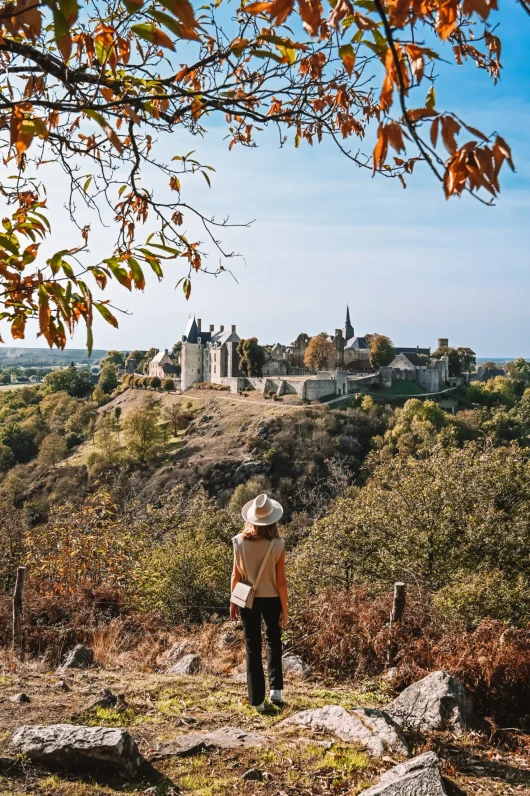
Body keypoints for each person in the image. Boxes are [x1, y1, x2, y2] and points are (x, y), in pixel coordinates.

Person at [230, 493, 288, 712]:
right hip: (272, 598)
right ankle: (276, 692)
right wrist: (285, 607)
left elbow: (236, 577)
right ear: (272, 519)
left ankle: (257, 702)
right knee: (273, 642)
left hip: (246, 600)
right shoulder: (278, 544)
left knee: (252, 647)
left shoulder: (238, 542)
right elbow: (281, 581)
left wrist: (233, 601)